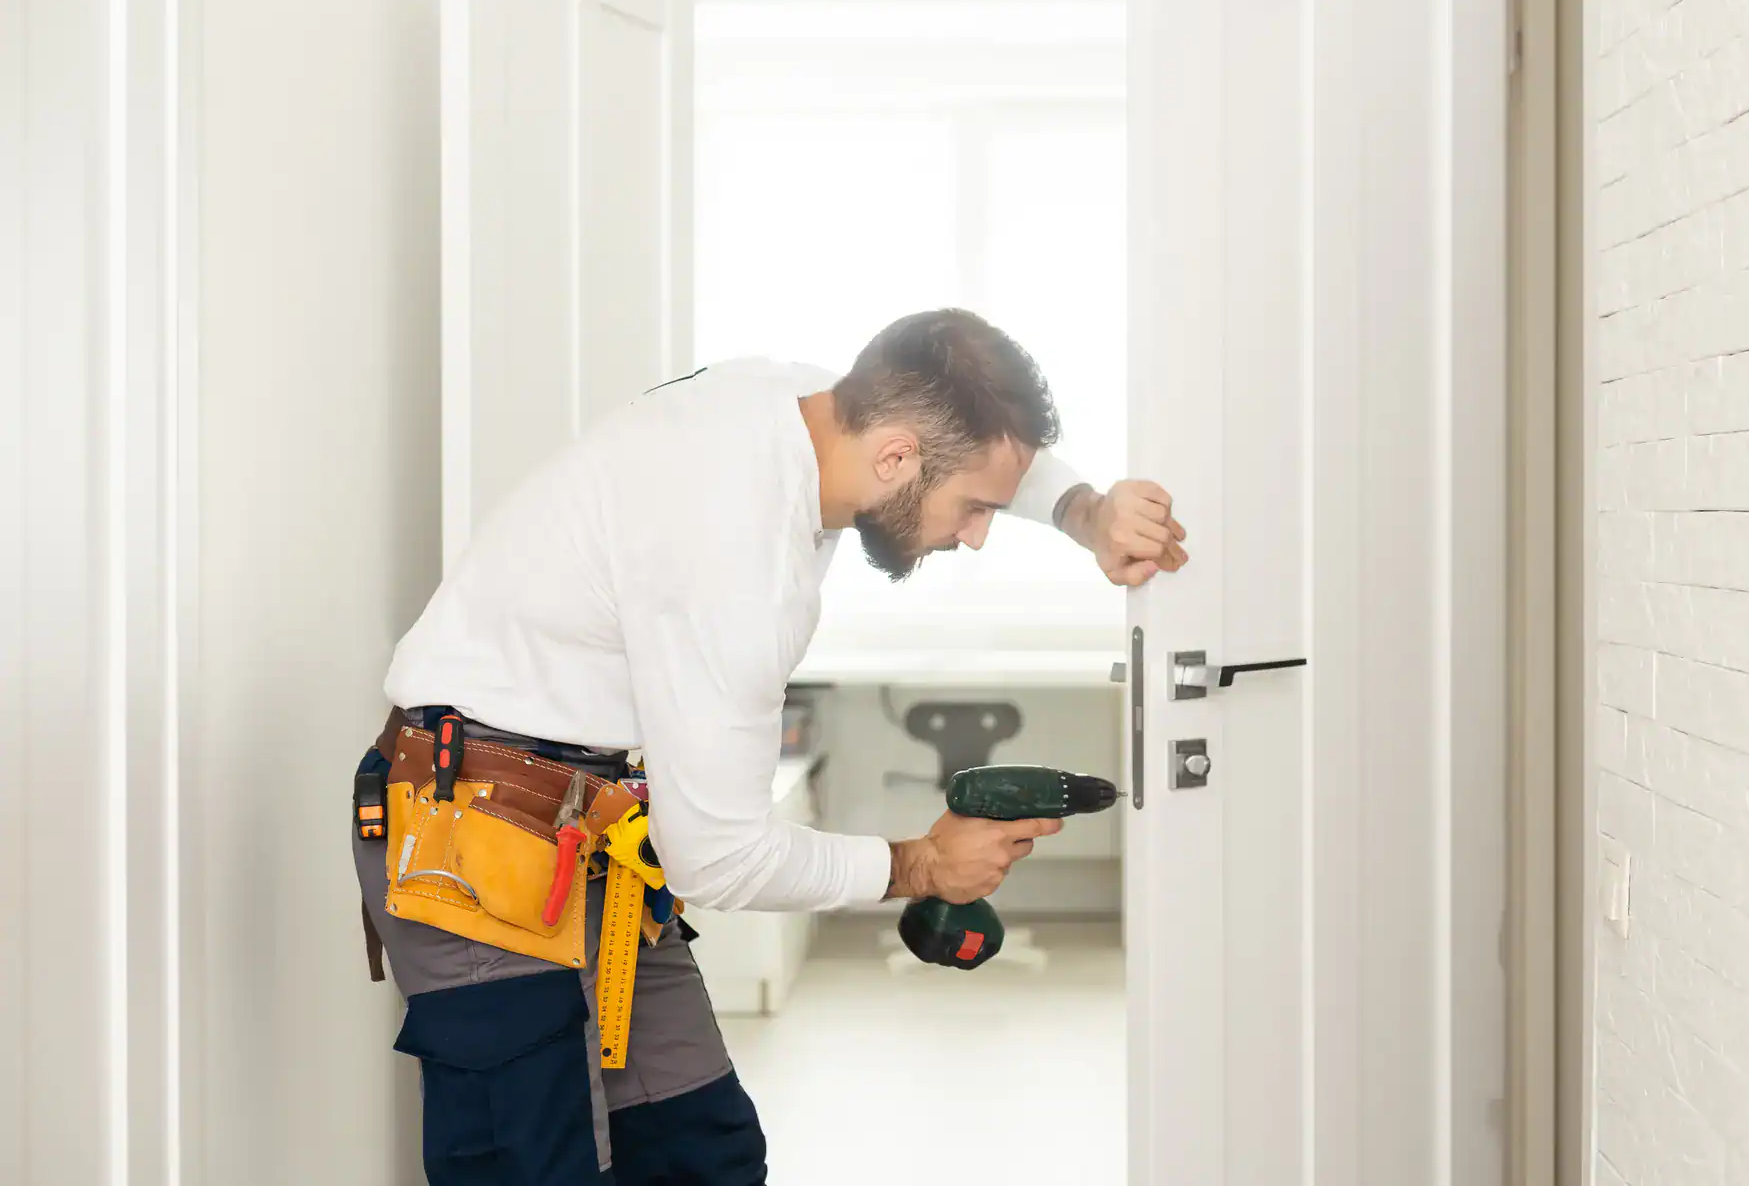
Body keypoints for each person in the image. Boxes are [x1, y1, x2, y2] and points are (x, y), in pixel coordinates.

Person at [352, 309, 1187, 1184]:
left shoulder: (803, 403)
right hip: (469, 837)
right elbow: (718, 858)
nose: (977, 533)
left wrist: (1085, 512)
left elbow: (973, 436)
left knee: (702, 1158)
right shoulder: (738, 561)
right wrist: (922, 866)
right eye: (972, 508)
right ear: (897, 458)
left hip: (587, 830)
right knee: (537, 1165)